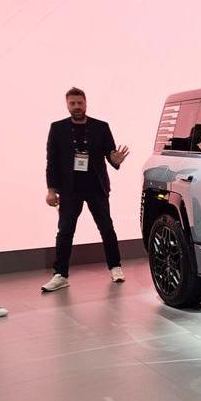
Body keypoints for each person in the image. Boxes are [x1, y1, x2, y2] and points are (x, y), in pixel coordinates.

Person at [42, 87, 130, 292]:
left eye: (80, 103)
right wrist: (51, 190)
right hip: (69, 189)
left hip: (96, 187)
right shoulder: (57, 128)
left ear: (86, 103)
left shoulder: (101, 127)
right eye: (72, 103)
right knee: (65, 231)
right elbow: (51, 162)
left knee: (106, 227)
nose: (76, 107)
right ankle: (60, 275)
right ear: (67, 105)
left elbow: (111, 154)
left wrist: (116, 160)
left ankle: (115, 267)